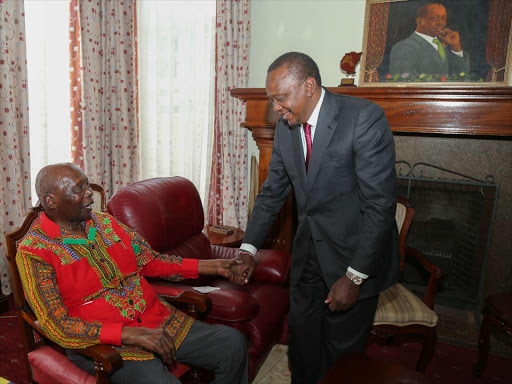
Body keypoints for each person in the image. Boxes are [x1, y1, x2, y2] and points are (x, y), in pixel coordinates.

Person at [229, 52, 400, 383]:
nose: (276, 107)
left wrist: (354, 277)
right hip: (308, 255)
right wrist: (248, 250)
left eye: (281, 98)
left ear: (309, 86)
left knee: (342, 358)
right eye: (272, 99)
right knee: (302, 346)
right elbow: (271, 195)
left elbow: (379, 205)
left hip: (354, 257)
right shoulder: (285, 130)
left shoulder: (363, 119)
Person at [16, 163, 248, 384]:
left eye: (88, 185)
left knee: (232, 344)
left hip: (157, 321)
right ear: (51, 201)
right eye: (79, 188)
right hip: (106, 345)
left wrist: (213, 266)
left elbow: (150, 261)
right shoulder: (34, 253)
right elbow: (57, 325)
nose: (90, 194)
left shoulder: (106, 223)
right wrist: (128, 334)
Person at [389, 2, 470, 77]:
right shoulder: (403, 48)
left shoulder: (447, 46)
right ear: (420, 22)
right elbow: (405, 85)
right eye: (435, 18)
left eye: (443, 18)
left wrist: (456, 47)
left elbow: (462, 77)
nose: (441, 23)